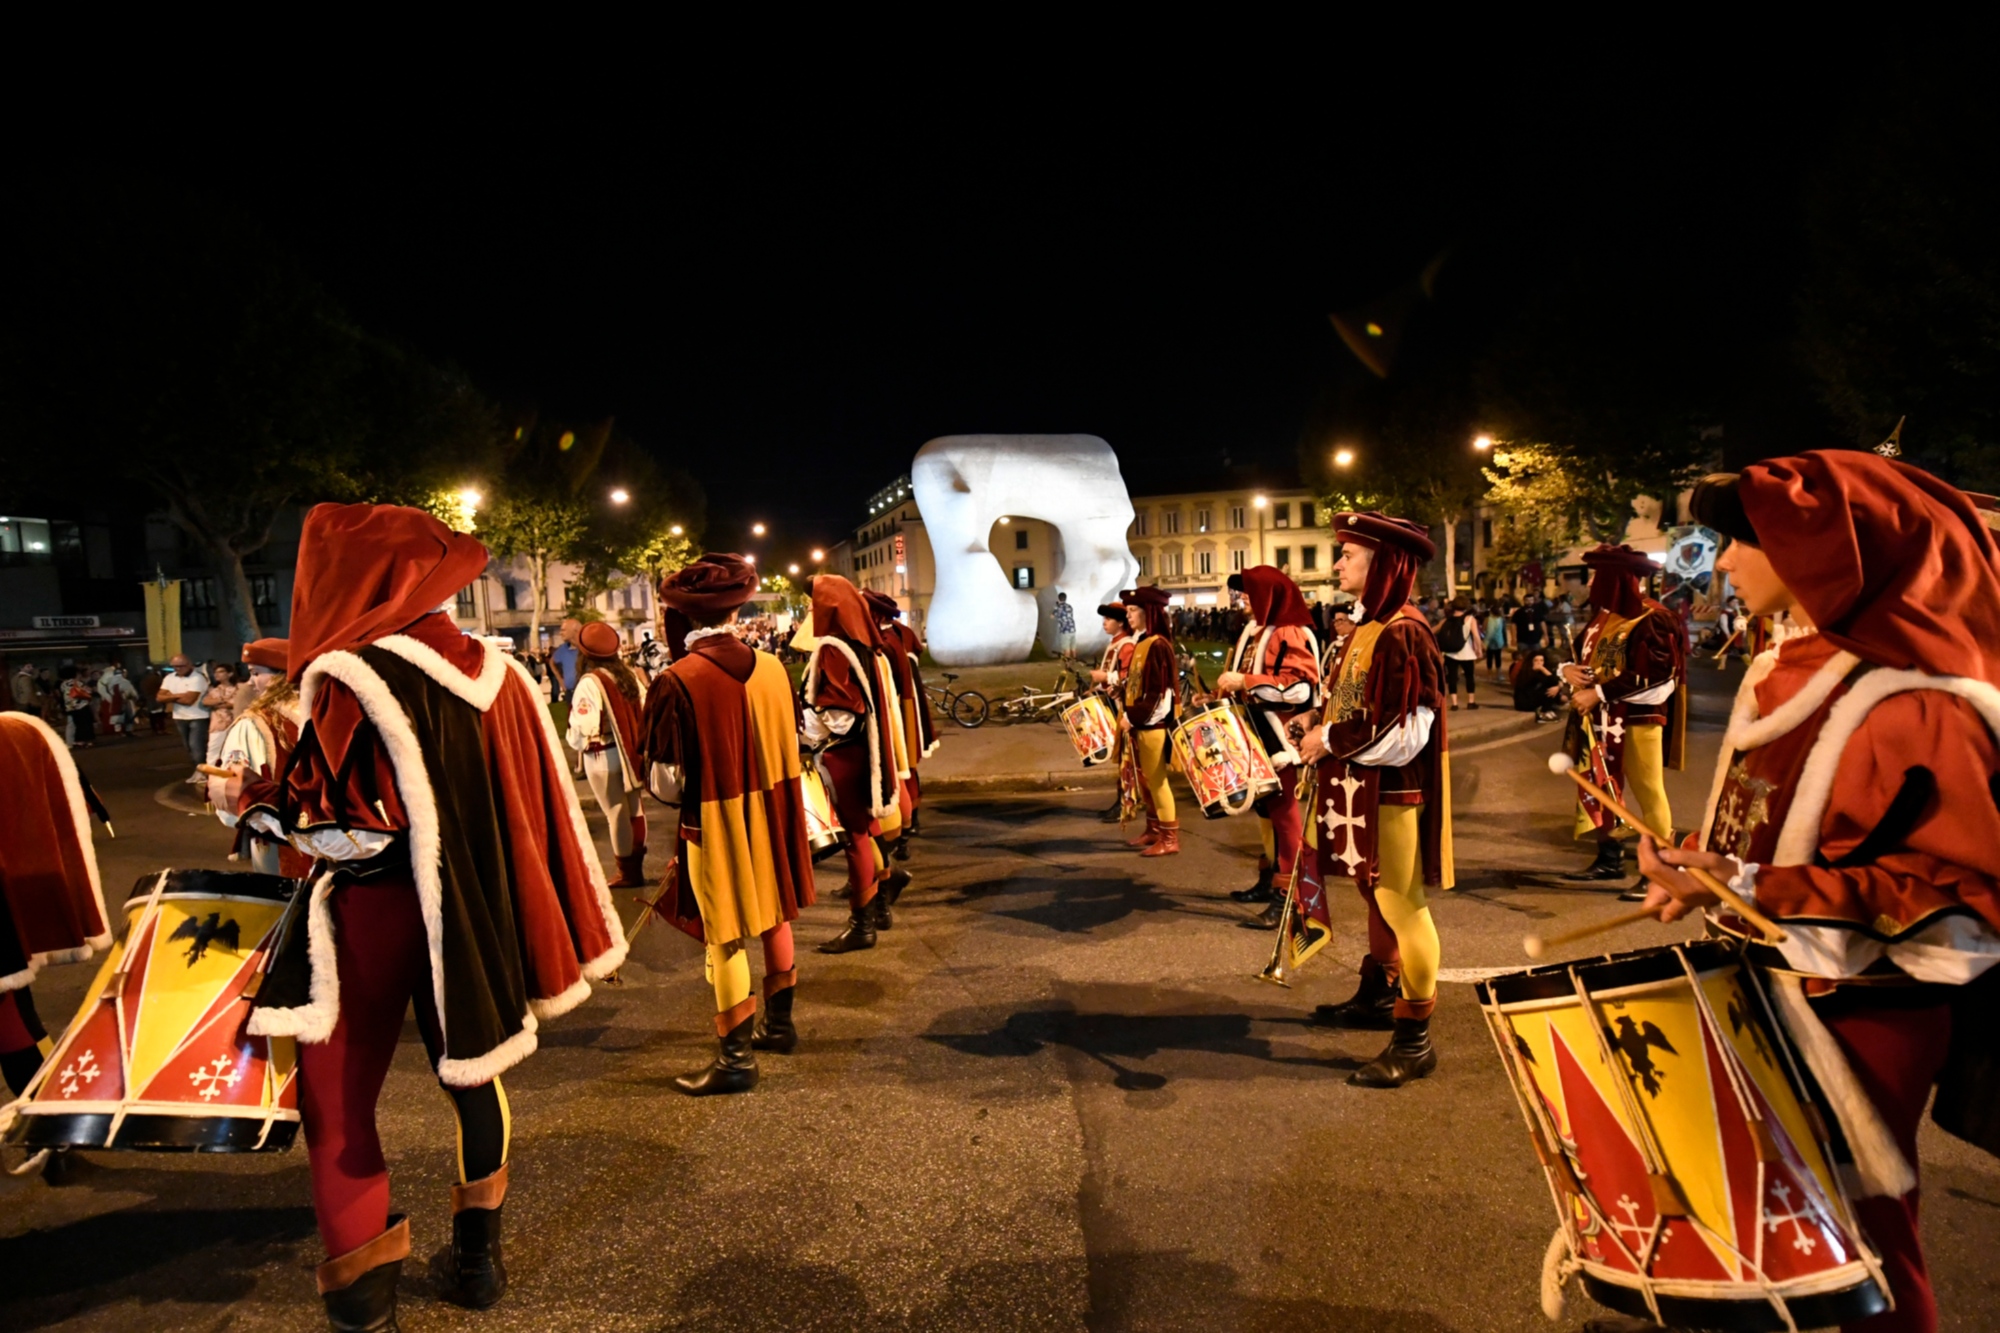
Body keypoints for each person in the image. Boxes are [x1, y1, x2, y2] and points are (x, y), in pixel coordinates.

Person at [235, 503, 626, 1329]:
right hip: (476, 904)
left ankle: (364, 1301)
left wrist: (260, 811)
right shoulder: (501, 668)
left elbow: (352, 829)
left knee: (336, 1096)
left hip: (377, 912)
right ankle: (478, 1259)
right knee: (474, 1069)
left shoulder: (353, 675)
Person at [1636, 453, 2000, 1333]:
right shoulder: (1795, 665)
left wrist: (1755, 884)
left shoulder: (1918, 700)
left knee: (1868, 1248)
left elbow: (1962, 898)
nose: (1721, 562)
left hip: (1865, 1011)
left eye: (1740, 542)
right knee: (1784, 1235)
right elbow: (1769, 836)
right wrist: (1701, 871)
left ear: (1818, 550)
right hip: (1773, 989)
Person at [642, 554, 817, 1095]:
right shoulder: (773, 668)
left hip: (716, 819)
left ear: (684, 616)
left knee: (725, 933)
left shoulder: (678, 679)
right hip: (776, 809)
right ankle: (780, 1026)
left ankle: (736, 1060)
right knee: (775, 914)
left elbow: (667, 783)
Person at [1299, 512, 1453, 1088]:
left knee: (1401, 902)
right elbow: (1353, 704)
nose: (1338, 563)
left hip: (1391, 789)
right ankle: (1378, 993)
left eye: (1349, 555)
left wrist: (1329, 739)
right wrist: (1317, 721)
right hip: (1360, 786)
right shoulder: (1367, 627)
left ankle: (1415, 1039)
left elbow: (1408, 730)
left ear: (1382, 563)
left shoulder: (1403, 631)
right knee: (1373, 892)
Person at [0, 710, 112, 1125]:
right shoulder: (15, 730)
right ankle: (54, 1131)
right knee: (15, 1025)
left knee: (15, 1024)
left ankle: (54, 1129)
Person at [1557, 544, 1687, 895]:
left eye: (1601, 578)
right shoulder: (1604, 616)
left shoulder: (1654, 618)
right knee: (1604, 790)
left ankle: (1661, 870)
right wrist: (1566, 670)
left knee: (1648, 792)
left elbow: (1660, 676)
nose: (1594, 586)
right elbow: (1583, 657)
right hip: (1599, 720)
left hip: (1637, 720)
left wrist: (1598, 694)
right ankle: (1610, 859)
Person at [799, 574, 907, 953]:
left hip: (844, 753)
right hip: (866, 752)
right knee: (869, 828)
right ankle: (879, 904)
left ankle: (861, 927)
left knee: (855, 839)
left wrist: (808, 725)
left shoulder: (833, 648)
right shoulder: (865, 645)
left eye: (814, 604)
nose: (811, 610)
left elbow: (842, 714)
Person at [1214, 567, 1320, 921]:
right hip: (1255, 733)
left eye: (1248, 591)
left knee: (1286, 817)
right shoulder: (1256, 629)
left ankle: (1289, 896)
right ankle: (1269, 878)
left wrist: (1246, 680)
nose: (1242, 597)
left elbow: (1301, 686)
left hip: (1281, 737)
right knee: (1265, 813)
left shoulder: (1289, 631)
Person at [210, 639, 309, 878]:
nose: (251, 682)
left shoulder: (253, 723)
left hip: (277, 830)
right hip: (332, 828)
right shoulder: (322, 710)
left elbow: (231, 789)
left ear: (280, 675)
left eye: (256, 673)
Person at [565, 620, 650, 887]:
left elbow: (585, 726)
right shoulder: (629, 675)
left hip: (602, 755)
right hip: (630, 752)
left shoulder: (590, 682)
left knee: (615, 812)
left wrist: (572, 736)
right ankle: (636, 868)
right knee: (635, 809)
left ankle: (627, 873)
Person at [866, 588, 937, 865]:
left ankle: (902, 836)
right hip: (903, 707)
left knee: (902, 772)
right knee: (907, 770)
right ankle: (907, 830)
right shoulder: (896, 635)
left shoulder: (884, 642)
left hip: (895, 710)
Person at [1120, 585, 1181, 857]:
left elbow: (1160, 695)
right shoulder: (1144, 641)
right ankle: (1153, 829)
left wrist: (1132, 717)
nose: (1128, 616)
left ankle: (1169, 838)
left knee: (1157, 781)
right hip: (1142, 725)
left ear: (1150, 612)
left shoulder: (1157, 645)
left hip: (1151, 726)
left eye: (1133, 610)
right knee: (1146, 782)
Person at [1088, 601, 1137, 824]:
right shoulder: (1115, 644)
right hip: (1114, 707)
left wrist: (1105, 678)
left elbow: (1128, 678)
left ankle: (1126, 804)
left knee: (1126, 760)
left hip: (1123, 710)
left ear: (1120, 622)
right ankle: (1123, 801)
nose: (1104, 623)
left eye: (1108, 619)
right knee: (1121, 760)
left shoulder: (1126, 645)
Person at [158, 654, 211, 782]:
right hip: (179, 717)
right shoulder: (169, 678)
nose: (178, 669)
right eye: (174, 667)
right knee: (188, 746)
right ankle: (199, 770)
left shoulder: (197, 678)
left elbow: (189, 700)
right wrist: (180, 695)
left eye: (181, 666)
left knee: (196, 746)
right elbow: (159, 697)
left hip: (198, 716)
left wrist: (171, 696)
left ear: (189, 665)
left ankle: (203, 772)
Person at [1438, 597, 1482, 710]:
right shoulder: (1470, 619)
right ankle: (1471, 702)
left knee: (1452, 678)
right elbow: (1476, 636)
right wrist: (1479, 649)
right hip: (1467, 653)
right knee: (1469, 677)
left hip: (1450, 653)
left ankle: (1454, 703)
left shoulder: (1447, 619)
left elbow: (1434, 630)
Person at [201, 661, 242, 766]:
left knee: (236, 749)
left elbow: (238, 703)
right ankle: (212, 775)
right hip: (218, 724)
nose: (217, 674)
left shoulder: (239, 688)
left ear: (230, 674)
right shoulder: (214, 690)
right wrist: (222, 702)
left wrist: (218, 703)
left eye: (221, 672)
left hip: (236, 723)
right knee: (213, 750)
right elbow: (205, 702)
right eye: (215, 672)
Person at [1512, 649, 1562, 722]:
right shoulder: (1526, 672)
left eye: (1541, 660)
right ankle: (1544, 712)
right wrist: (1542, 669)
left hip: (1535, 698)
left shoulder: (1543, 671)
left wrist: (1557, 687)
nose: (1539, 663)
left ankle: (1547, 710)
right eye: (1536, 660)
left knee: (1553, 687)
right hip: (1525, 701)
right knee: (1548, 688)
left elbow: (1555, 681)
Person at [59, 665, 96, 747]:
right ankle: (86, 741)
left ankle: (73, 741)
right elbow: (88, 691)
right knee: (86, 724)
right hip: (81, 706)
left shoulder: (63, 684)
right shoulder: (78, 683)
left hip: (70, 707)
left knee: (74, 724)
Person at [96, 661, 135, 738]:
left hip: (122, 699)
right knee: (119, 715)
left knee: (125, 714)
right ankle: (121, 731)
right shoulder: (110, 677)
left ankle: (125, 730)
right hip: (118, 699)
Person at [549, 618, 582, 702]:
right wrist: (560, 681)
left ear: (575, 630)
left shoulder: (586, 647)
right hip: (570, 694)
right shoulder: (563, 649)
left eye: (563, 630)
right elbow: (552, 662)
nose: (560, 633)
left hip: (586, 692)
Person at [1509, 596, 1545, 665]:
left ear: (1533, 601)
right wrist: (1513, 637)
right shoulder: (1519, 612)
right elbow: (1513, 625)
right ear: (1524, 601)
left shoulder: (1538, 611)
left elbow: (1542, 623)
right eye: (1527, 600)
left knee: (1536, 656)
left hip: (1535, 639)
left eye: (1531, 600)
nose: (1529, 602)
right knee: (1523, 658)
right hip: (1522, 639)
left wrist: (1545, 635)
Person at [137, 662, 168, 733]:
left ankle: (154, 729)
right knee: (160, 715)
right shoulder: (157, 679)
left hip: (149, 699)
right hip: (157, 698)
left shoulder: (144, 680)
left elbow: (141, 689)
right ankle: (161, 729)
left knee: (152, 715)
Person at [1482, 603, 1508, 675]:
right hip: (1498, 640)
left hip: (1488, 641)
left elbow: (1483, 630)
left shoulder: (1487, 619)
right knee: (1498, 657)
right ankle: (1498, 672)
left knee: (1489, 657)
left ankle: (1489, 672)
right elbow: (1503, 631)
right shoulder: (1501, 619)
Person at [1052, 591, 1076, 656]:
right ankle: (1074, 661)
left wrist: (1055, 607)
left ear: (1058, 598)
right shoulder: (1069, 606)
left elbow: (1052, 616)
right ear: (1065, 598)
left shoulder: (1058, 607)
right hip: (1072, 629)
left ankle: (1067, 664)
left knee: (1066, 648)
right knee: (1073, 648)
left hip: (1065, 630)